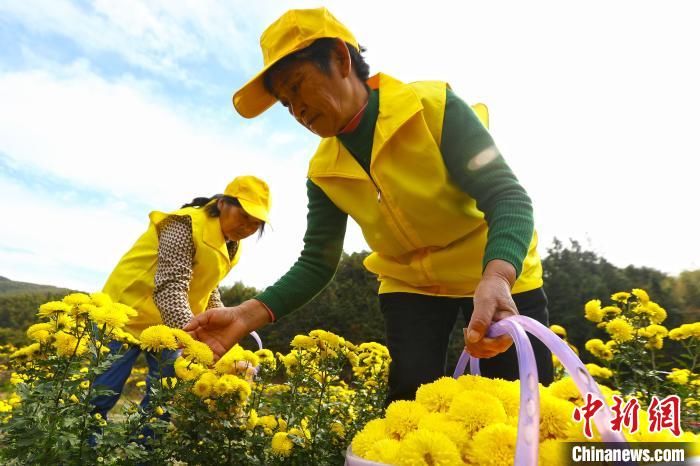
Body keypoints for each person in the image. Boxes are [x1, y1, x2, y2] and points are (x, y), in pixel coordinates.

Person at [186, 8, 553, 402]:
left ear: (341, 60)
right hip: (411, 284)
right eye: (285, 103)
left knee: (520, 398)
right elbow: (317, 262)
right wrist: (245, 315)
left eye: (298, 86)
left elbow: (507, 197)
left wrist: (497, 277)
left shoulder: (433, 108)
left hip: (496, 269)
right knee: (412, 397)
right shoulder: (323, 171)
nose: (297, 110)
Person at [92, 175, 271, 417]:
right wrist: (194, 344)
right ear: (222, 204)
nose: (247, 228)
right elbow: (170, 285)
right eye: (243, 217)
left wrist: (223, 324)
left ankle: (144, 453)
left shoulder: (231, 246)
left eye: (255, 224)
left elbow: (209, 288)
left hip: (171, 326)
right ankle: (80, 452)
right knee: (99, 396)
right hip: (126, 315)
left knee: (166, 401)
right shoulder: (185, 224)